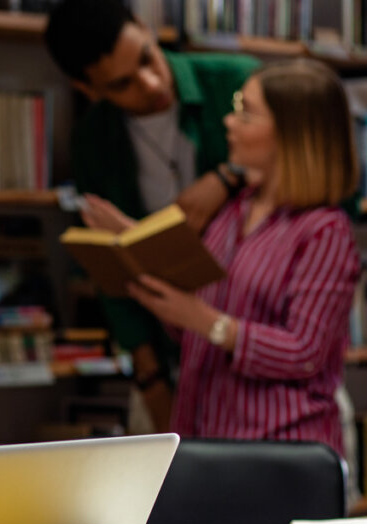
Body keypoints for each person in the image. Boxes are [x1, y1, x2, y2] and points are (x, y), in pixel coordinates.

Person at [128, 59, 360, 460]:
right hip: (206, 442)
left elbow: (305, 352)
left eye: (246, 113)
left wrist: (206, 321)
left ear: (291, 134)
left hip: (279, 454)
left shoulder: (324, 231)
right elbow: (195, 326)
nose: (229, 122)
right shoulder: (234, 211)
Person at [44, 0, 259, 432]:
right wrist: (151, 381)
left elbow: (315, 170)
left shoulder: (237, 82)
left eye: (147, 57)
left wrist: (229, 176)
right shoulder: (94, 139)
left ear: (145, 27)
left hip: (255, 341)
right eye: (123, 83)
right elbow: (116, 276)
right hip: (173, 356)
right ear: (88, 88)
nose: (152, 82)